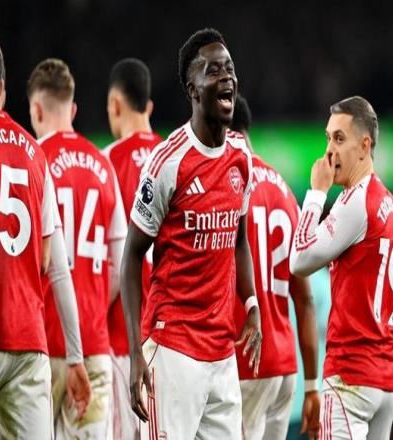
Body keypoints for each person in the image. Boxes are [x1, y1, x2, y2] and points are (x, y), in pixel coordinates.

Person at [120, 28, 262, 440]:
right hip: (173, 350)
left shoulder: (241, 156)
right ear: (193, 90)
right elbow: (131, 257)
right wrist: (135, 351)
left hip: (222, 354)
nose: (227, 76)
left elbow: (238, 239)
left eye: (230, 68)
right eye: (213, 70)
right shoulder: (167, 162)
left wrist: (251, 302)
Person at [290, 96, 393, 438]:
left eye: (339, 139)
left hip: (349, 379)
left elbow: (299, 259)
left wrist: (316, 193)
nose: (329, 151)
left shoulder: (354, 203)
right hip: (386, 385)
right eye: (328, 138)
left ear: (365, 146)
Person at [0, 34, 84, 439]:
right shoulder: (35, 153)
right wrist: (74, 355)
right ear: (3, 88)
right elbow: (50, 263)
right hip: (28, 340)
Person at [27, 58, 128, 439]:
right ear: (72, 110)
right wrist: (92, 305)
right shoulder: (104, 166)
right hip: (93, 346)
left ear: (37, 110)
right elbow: (119, 265)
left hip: (38, 346)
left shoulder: (31, 160)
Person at [231, 94, 320, 440]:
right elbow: (305, 299)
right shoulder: (283, 190)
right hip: (285, 368)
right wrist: (311, 384)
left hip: (246, 361)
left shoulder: (228, 184)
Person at [103, 57, 162, 439]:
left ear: (114, 105)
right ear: (149, 107)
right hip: (168, 339)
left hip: (119, 338)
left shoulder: (105, 162)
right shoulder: (173, 158)